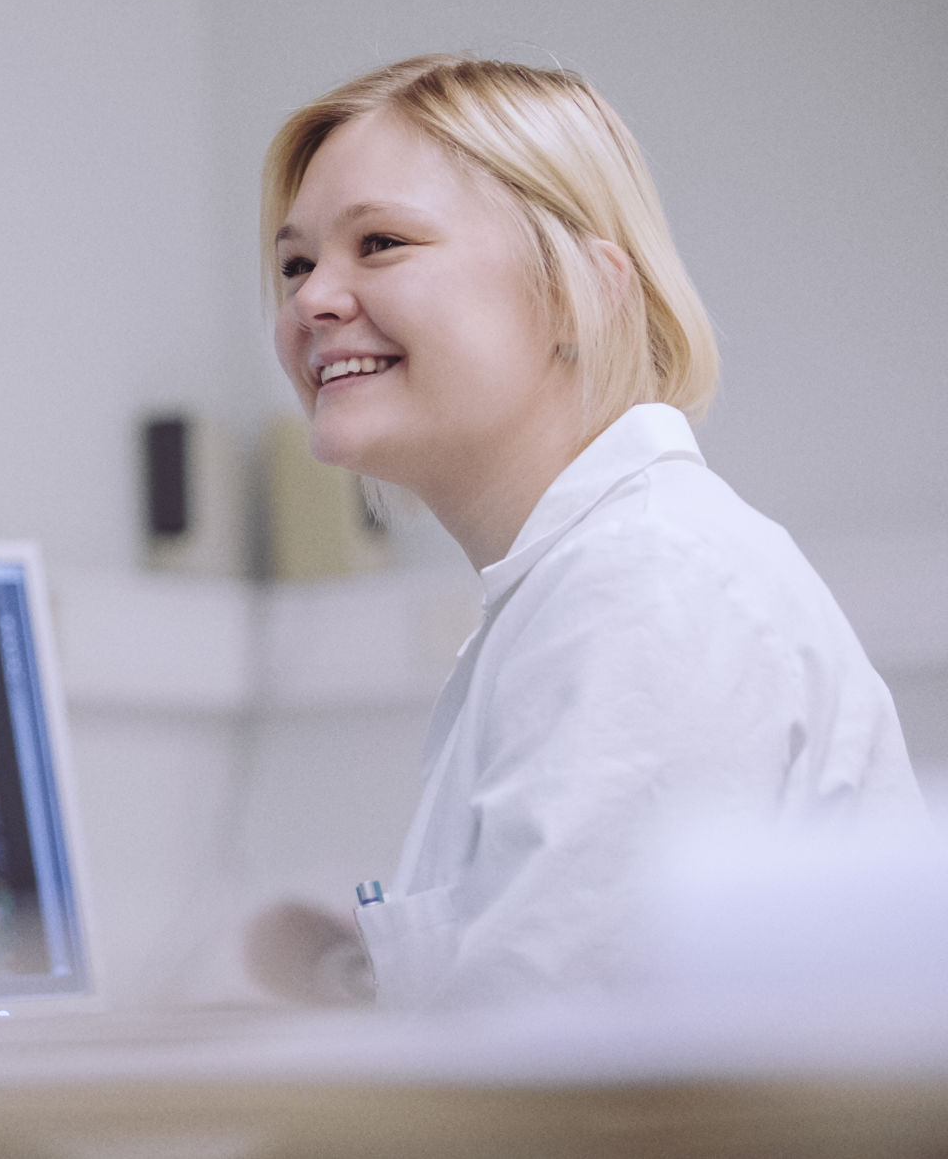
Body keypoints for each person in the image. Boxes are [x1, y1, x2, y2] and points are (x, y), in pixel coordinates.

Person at [262, 54, 927, 1010]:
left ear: (578, 291)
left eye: (381, 243)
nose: (312, 300)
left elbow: (551, 1098)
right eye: (296, 263)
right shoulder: (583, 587)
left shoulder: (648, 589)